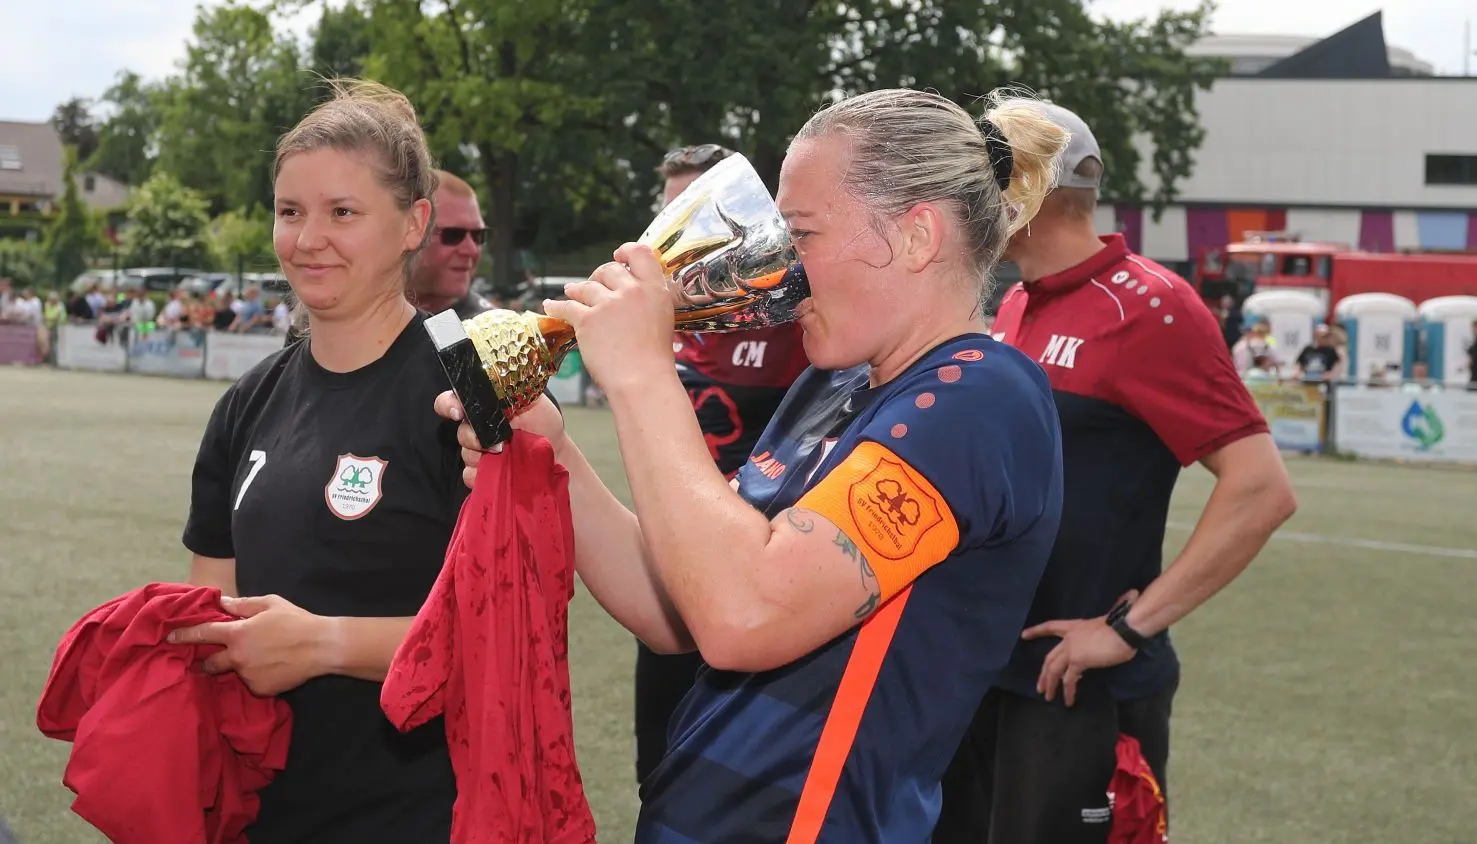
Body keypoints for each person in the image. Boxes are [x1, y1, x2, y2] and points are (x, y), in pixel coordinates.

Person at [439, 87, 1071, 842]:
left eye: (798, 235)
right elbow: (678, 606)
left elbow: (745, 616)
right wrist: (555, 453)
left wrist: (643, 375)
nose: (777, 270)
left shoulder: (980, 397)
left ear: (916, 238)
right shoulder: (834, 381)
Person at [935, 102, 1297, 844]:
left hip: (1077, 686)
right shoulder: (1013, 303)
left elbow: (1261, 487)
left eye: (972, 182)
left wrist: (1130, 627)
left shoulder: (1153, 307)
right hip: (987, 672)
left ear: (1018, 193)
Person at [169, 79, 472, 843]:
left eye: (343, 213)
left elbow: (506, 637)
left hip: (417, 815)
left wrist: (322, 643)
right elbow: (214, 616)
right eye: (290, 212)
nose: (308, 240)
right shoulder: (247, 403)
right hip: (260, 813)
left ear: (413, 225)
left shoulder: (469, 392)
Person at [633, 142, 813, 786]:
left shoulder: (792, 319)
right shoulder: (656, 320)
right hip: (663, 564)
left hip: (754, 572)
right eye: (669, 209)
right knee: (655, 765)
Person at [408, 169, 495, 319]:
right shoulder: (359, 318)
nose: (471, 250)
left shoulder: (492, 334)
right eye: (453, 235)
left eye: (477, 236)